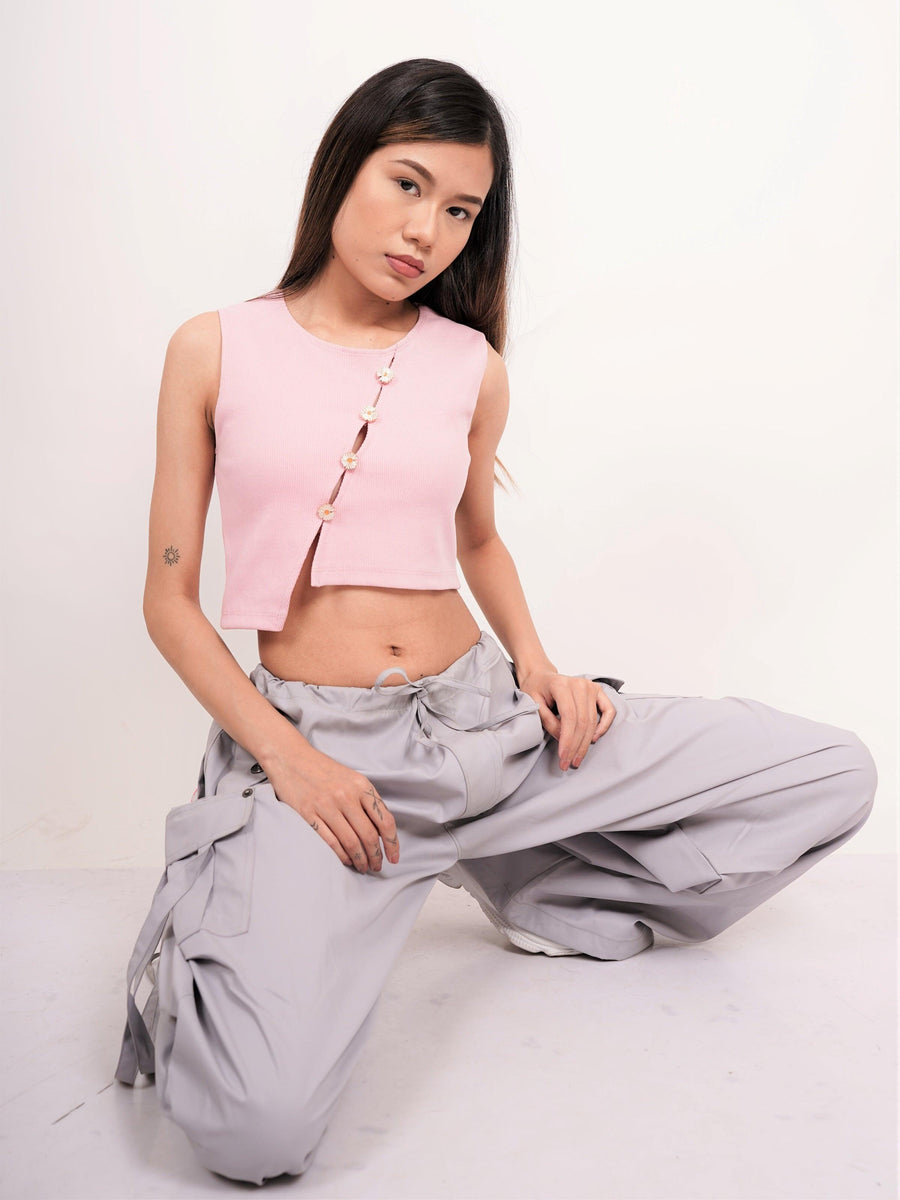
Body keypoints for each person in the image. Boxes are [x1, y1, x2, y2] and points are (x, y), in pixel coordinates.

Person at [113, 58, 879, 1187]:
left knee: (832, 773)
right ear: (343, 168)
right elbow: (167, 602)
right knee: (250, 1134)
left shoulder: (469, 365)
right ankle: (338, 895)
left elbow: (476, 541)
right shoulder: (213, 347)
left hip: (490, 728)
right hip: (330, 764)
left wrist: (540, 665)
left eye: (462, 209)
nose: (426, 230)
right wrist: (290, 761)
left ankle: (534, 880)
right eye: (408, 184)